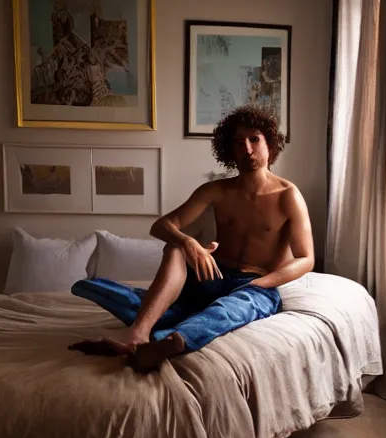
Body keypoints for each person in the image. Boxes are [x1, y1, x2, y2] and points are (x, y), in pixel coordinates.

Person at [69, 105, 315, 372]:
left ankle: (169, 341)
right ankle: (138, 334)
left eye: (254, 139)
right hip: (211, 278)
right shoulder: (216, 191)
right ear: (229, 151)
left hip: (254, 285)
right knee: (163, 253)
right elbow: (162, 225)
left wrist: (261, 283)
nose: (247, 149)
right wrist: (189, 243)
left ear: (269, 142)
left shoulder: (288, 195)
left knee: (229, 309)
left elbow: (306, 258)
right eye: (238, 143)